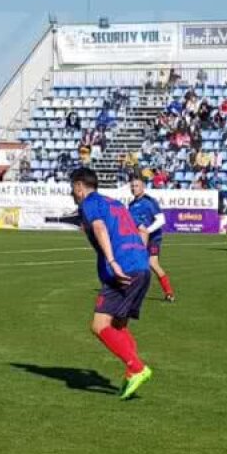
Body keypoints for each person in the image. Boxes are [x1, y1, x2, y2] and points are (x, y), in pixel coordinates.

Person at [71, 167, 153, 400]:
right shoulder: (114, 203)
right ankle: (132, 371)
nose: (74, 194)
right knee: (118, 325)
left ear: (79, 186)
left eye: (73, 189)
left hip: (123, 268)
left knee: (99, 325)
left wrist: (112, 261)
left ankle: (136, 367)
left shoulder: (89, 203)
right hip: (141, 265)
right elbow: (139, 230)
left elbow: (99, 227)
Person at [127, 176, 175, 302]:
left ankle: (169, 292)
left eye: (136, 186)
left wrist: (147, 231)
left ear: (143, 187)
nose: (134, 188)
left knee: (152, 263)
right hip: (138, 239)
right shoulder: (131, 205)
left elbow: (161, 220)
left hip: (153, 238)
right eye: (132, 186)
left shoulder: (150, 202)